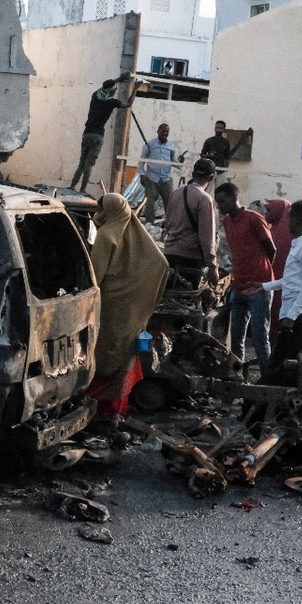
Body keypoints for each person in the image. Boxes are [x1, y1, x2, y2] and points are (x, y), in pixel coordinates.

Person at [85, 193, 170, 421]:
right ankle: (115, 413)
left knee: (101, 358)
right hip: (131, 314)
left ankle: (97, 411)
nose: (99, 215)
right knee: (123, 359)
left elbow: (93, 278)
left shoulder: (106, 236)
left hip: (109, 311)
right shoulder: (136, 235)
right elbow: (161, 264)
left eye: (102, 210)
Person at [256, 200, 302, 379]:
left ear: (297, 220)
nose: (287, 223)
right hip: (294, 310)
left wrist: (292, 317)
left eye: (289, 218)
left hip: (301, 310)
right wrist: (263, 287)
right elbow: (292, 281)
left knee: (294, 364)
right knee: (277, 363)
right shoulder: (300, 245)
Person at [214, 182, 276, 371]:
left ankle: (268, 379)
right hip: (238, 287)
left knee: (259, 339)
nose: (220, 206)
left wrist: (261, 274)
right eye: (217, 202)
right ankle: (237, 377)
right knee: (236, 340)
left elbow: (271, 249)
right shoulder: (226, 222)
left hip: (257, 288)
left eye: (222, 202)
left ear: (234, 198)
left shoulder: (253, 218)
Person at [69, 74, 135, 193]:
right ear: (112, 91)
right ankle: (83, 189)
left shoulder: (95, 95)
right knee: (89, 164)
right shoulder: (111, 102)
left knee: (82, 163)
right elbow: (128, 104)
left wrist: (119, 79)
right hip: (98, 135)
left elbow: (106, 85)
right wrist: (135, 88)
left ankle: (72, 186)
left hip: (86, 133)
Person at [162, 158, 219, 286]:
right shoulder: (205, 199)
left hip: (169, 254)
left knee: (170, 298)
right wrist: (212, 266)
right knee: (188, 300)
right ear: (211, 177)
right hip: (191, 258)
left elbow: (168, 225)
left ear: (193, 174)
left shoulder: (175, 194)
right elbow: (207, 236)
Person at [263, 199, 293, 342]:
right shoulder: (273, 229)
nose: (266, 214)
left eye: (270, 211)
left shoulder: (285, 235)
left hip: (281, 278)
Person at [139, 123, 177, 222]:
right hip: (152, 178)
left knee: (170, 203)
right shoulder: (149, 144)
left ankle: (170, 224)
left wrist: (180, 162)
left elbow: (174, 162)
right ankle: (149, 224)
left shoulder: (171, 146)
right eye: (163, 131)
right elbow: (141, 161)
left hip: (166, 178)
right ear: (158, 131)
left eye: (167, 132)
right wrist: (142, 175)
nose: (165, 133)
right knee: (150, 202)